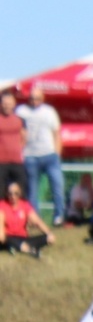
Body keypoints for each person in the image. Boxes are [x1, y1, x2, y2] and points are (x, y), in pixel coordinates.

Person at [19, 85, 65, 227]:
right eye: (31, 98)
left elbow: (56, 133)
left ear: (43, 98)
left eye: (37, 98)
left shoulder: (49, 112)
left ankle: (59, 216)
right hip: (30, 156)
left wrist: (57, 153)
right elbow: (18, 133)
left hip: (50, 155)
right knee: (32, 191)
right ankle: (35, 220)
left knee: (57, 186)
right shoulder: (21, 111)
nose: (34, 101)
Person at [0, 180, 54, 256]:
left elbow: (37, 221)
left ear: (20, 193)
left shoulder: (25, 205)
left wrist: (49, 233)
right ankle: (29, 250)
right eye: (10, 194)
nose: (13, 196)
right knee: (6, 239)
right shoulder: (2, 205)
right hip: (8, 237)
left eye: (16, 193)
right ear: (6, 194)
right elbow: (1, 225)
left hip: (23, 238)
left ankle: (18, 248)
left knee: (47, 238)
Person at [0, 93, 25, 197]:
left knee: (21, 191)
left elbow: (24, 137)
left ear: (14, 104)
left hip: (17, 161)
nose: (7, 106)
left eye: (9, 103)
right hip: (1, 162)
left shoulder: (20, 120)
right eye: (5, 103)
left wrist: (18, 149)